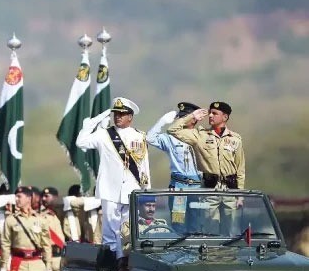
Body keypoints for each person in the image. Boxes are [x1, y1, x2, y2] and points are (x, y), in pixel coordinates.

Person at [76, 97, 150, 261]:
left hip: (132, 188)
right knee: (110, 231)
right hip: (110, 189)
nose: (118, 117)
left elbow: (144, 165)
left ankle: (124, 261)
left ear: (130, 117)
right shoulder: (104, 135)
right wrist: (90, 125)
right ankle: (111, 265)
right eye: (115, 114)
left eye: (122, 114)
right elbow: (81, 142)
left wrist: (146, 189)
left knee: (128, 230)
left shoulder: (139, 136)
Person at [168, 101, 245, 232]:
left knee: (230, 232)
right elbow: (172, 130)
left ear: (225, 117)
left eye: (214, 113)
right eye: (209, 112)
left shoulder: (235, 139)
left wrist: (240, 195)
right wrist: (192, 116)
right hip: (210, 191)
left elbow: (240, 169)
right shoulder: (200, 135)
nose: (210, 115)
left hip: (230, 192)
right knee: (210, 231)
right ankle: (213, 252)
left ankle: (227, 253)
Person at [148, 102, 203, 229]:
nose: (181, 119)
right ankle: (179, 249)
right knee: (178, 223)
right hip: (179, 187)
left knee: (197, 223)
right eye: (180, 117)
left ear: (194, 119)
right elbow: (150, 138)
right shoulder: (171, 138)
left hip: (198, 187)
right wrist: (162, 121)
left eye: (185, 117)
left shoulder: (201, 136)